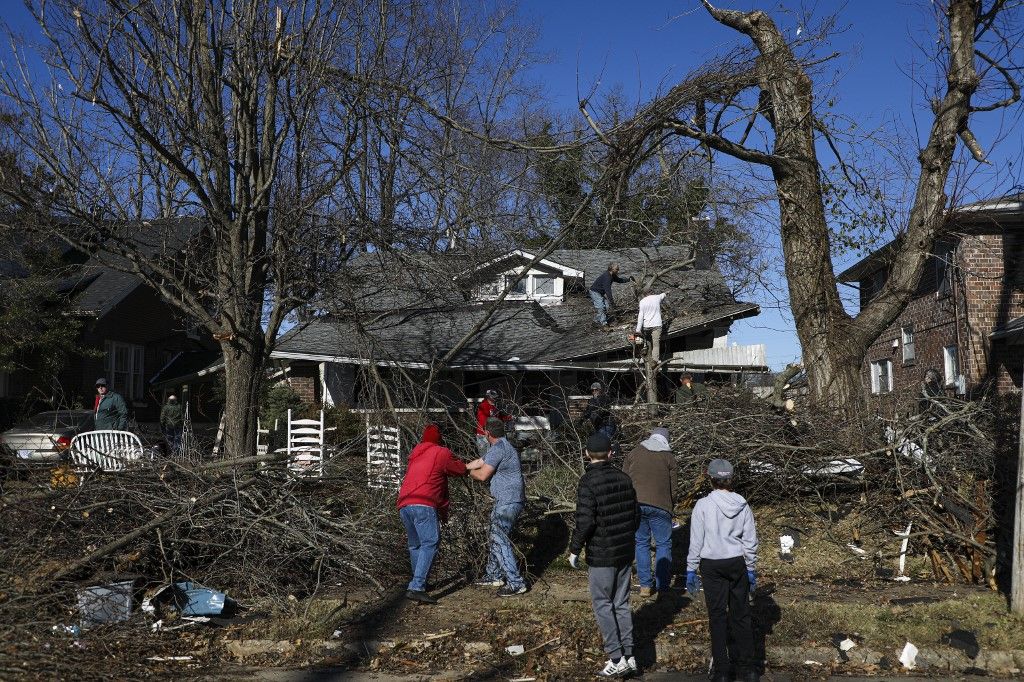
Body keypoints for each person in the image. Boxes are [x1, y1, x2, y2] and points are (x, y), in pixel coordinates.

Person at [567, 432, 641, 678]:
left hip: (601, 553)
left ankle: (616, 657)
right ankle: (629, 656)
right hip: (624, 550)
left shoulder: (587, 482)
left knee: (603, 604)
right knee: (621, 603)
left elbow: (585, 520)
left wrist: (575, 548)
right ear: (611, 453)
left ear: (587, 454)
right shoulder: (624, 478)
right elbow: (636, 515)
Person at [686, 459, 760, 682]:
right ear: (731, 479)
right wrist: (751, 567)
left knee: (717, 617)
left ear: (710, 479)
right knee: (742, 616)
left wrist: (691, 568)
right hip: (737, 562)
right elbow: (750, 539)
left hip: (711, 564)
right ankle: (749, 669)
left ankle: (721, 672)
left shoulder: (702, 506)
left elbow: (696, 541)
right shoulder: (742, 504)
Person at [396, 424, 469, 604]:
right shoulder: (440, 452)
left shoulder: (415, 454)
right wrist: (469, 465)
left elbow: (439, 484)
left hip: (404, 503)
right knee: (430, 543)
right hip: (424, 503)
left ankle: (418, 581)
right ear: (439, 439)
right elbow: (458, 469)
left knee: (416, 545)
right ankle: (417, 586)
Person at [467, 417, 528, 596]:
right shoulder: (501, 447)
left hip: (508, 500)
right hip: (507, 500)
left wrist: (466, 472)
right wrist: (459, 466)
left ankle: (516, 583)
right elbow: (480, 462)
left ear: (487, 433)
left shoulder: (499, 448)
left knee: (499, 538)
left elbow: (482, 474)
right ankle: (494, 575)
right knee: (495, 536)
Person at [623, 426, 677, 598]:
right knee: (663, 544)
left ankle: (645, 585)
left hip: (637, 504)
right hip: (661, 506)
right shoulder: (669, 457)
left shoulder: (634, 453)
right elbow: (673, 488)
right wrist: (671, 505)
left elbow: (625, 479)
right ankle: (663, 586)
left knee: (641, 543)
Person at [589, 262, 632, 328]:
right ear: (611, 269)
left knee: (606, 306)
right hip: (595, 292)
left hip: (600, 293)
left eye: (618, 269)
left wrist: (629, 279)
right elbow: (608, 291)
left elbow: (619, 280)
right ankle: (604, 325)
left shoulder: (612, 275)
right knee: (601, 307)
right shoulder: (607, 277)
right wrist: (612, 303)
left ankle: (596, 321)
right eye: (617, 269)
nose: (618, 271)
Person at [475, 389, 512, 456]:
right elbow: (488, 416)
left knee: (493, 455)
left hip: (491, 434)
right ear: (488, 397)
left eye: (496, 396)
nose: (495, 398)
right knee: (484, 456)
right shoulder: (483, 406)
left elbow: (500, 417)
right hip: (482, 434)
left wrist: (509, 417)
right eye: (493, 397)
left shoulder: (495, 407)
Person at [636, 289, 667, 364]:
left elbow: (641, 316)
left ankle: (644, 354)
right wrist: (666, 293)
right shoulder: (657, 297)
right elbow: (663, 295)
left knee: (646, 340)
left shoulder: (642, 301)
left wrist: (638, 329)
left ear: (645, 294)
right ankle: (655, 360)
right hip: (657, 325)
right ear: (652, 293)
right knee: (656, 343)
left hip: (647, 326)